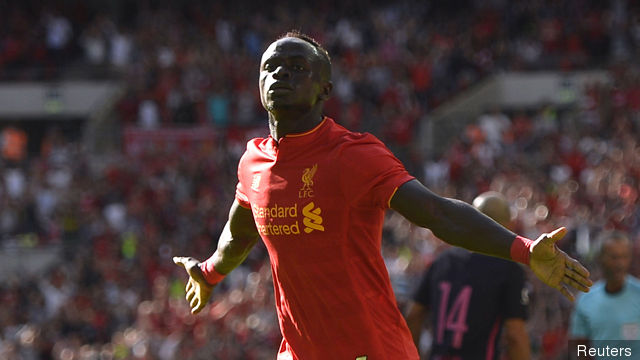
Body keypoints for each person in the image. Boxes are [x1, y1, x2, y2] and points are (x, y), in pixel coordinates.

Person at [173, 30, 592, 360]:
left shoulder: (353, 154)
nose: (280, 74)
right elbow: (240, 229)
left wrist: (522, 249)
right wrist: (210, 273)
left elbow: (434, 211)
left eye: (297, 67)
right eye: (271, 67)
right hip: (298, 352)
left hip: (369, 350)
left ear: (324, 88)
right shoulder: (253, 161)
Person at [405, 191, 531, 359]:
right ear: (508, 226)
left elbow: (413, 315)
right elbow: (515, 335)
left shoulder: (442, 261)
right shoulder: (508, 269)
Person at [569, 231, 640, 359]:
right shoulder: (586, 300)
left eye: (624, 257)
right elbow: (580, 347)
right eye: (614, 257)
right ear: (600, 258)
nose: (620, 264)